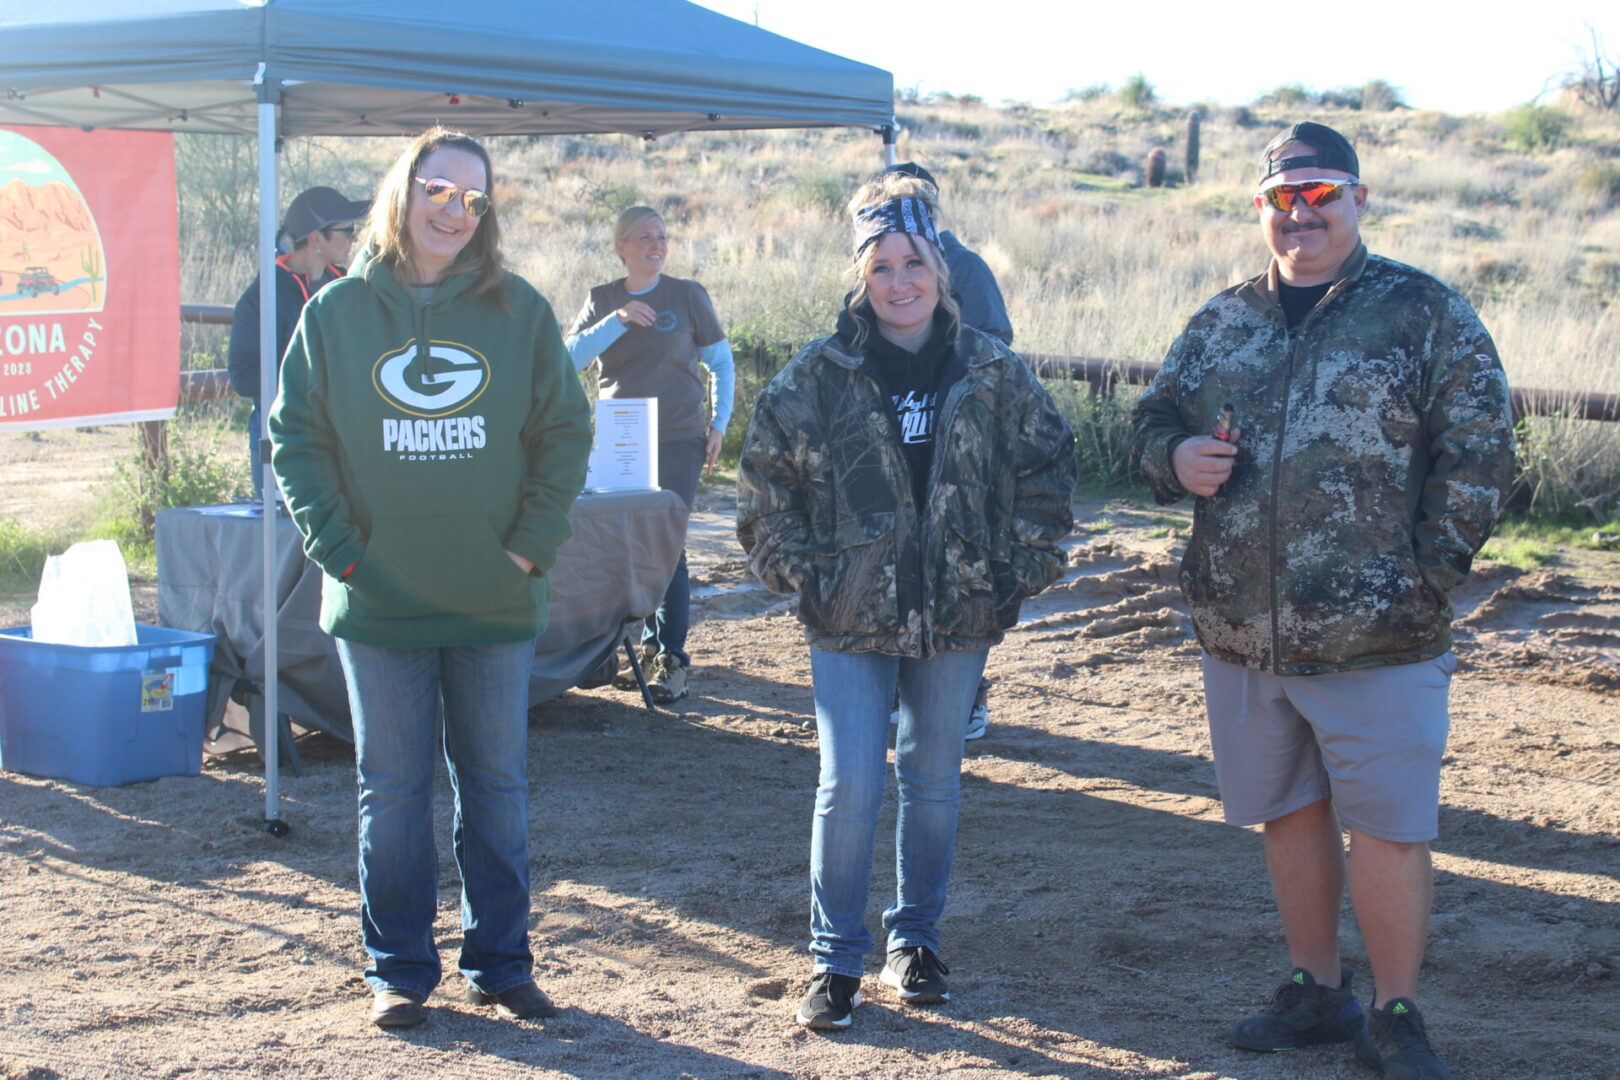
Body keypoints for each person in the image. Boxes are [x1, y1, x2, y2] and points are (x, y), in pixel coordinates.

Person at [1131, 121, 1515, 1080]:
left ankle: (1394, 1011)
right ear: (1262, 208)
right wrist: (1173, 460)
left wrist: (1426, 575)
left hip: (1380, 637)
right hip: (1243, 636)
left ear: (1359, 199)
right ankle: (1316, 990)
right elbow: (1151, 420)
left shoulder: (1422, 313)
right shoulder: (1221, 321)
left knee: (1389, 825)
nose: (1300, 214)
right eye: (1281, 199)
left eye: (1321, 195)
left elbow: (1483, 452)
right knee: (1289, 813)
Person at [269, 127, 592, 1030]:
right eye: (438, 190)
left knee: (495, 786)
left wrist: (527, 547)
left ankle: (500, 961)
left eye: (473, 198)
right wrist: (341, 550)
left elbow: (565, 432)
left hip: (494, 597)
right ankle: (399, 970)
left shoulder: (518, 311)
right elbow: (296, 439)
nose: (453, 210)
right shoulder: (334, 315)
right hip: (378, 600)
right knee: (393, 790)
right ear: (402, 193)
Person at [737, 172, 1076, 1031]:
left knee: (932, 782)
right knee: (849, 782)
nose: (899, 280)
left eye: (914, 260)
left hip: (959, 613)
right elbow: (763, 485)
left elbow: (1048, 467)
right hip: (848, 620)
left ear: (940, 268)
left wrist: (1020, 567)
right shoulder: (817, 376)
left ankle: (914, 942)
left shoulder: (993, 372)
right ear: (861, 275)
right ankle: (834, 959)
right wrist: (806, 573)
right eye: (881, 264)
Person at [565, 206, 735, 703]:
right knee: (616, 542)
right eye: (643, 238)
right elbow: (568, 359)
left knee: (668, 546)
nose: (656, 246)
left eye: (662, 237)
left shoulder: (686, 296)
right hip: (622, 437)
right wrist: (615, 323)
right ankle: (606, 651)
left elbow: (721, 362)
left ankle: (670, 659)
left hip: (680, 436)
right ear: (621, 247)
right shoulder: (603, 299)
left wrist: (719, 422)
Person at [881, 161, 1013, 741]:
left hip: (958, 450)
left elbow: (995, 349)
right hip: (893, 447)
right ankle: (895, 690)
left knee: (959, 580)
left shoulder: (966, 267)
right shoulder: (877, 264)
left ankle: (968, 699)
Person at [227, 185, 368, 495]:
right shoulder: (261, 297)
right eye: (347, 231)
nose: (354, 238)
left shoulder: (346, 286)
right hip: (281, 436)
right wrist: (310, 374)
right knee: (282, 538)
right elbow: (243, 377)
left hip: (340, 435)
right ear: (317, 239)